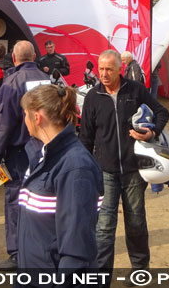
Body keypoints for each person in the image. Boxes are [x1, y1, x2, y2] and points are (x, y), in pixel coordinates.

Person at [79, 49, 169, 273]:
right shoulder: (93, 96)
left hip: (133, 171)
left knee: (136, 223)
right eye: (101, 68)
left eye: (109, 69)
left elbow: (162, 112)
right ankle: (100, 276)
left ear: (121, 69)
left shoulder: (136, 90)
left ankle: (140, 268)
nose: (104, 74)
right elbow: (86, 138)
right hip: (105, 172)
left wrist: (152, 132)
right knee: (104, 227)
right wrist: (85, 171)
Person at [16, 83, 103, 273]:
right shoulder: (41, 155)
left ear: (37, 117)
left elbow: (77, 251)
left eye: (25, 114)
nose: (24, 119)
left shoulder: (76, 168)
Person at [0, 40, 50, 270]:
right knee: (43, 198)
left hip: (20, 153)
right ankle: (41, 247)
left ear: (14, 58)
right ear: (34, 56)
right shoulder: (48, 80)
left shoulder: (11, 82)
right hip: (46, 148)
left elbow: (4, 124)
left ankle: (17, 254)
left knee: (15, 200)